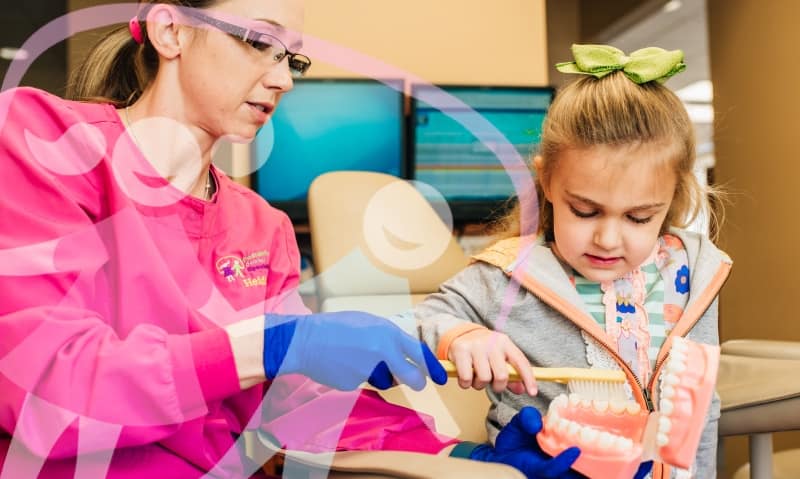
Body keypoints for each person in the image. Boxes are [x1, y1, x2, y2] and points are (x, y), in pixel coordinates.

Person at [0, 1, 583, 478]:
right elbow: (48, 388)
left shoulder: (261, 226)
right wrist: (274, 344)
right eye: (258, 42)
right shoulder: (44, 144)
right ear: (170, 29)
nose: (282, 79)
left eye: (292, 59)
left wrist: (459, 455)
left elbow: (297, 408)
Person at [416, 44, 730, 478]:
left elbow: (702, 409)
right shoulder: (510, 273)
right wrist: (461, 334)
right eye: (585, 211)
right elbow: (422, 318)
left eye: (639, 217)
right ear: (546, 180)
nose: (607, 239)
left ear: (672, 199)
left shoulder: (694, 273)